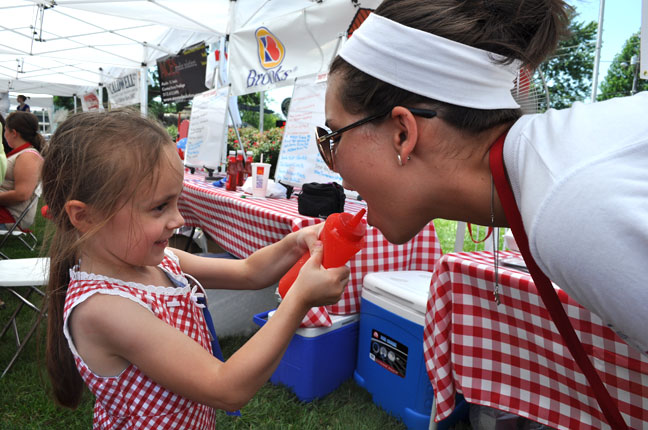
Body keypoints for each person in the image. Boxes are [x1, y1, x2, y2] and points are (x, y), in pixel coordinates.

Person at [320, 0, 647, 356]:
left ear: (402, 133)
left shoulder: (571, 206)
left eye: (335, 137)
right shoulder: (551, 175)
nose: (336, 170)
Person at [42, 109, 348, 429]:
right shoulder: (104, 309)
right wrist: (298, 300)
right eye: (159, 207)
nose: (178, 220)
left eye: (176, 202)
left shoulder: (161, 262)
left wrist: (295, 243)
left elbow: (249, 272)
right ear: (84, 216)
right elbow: (226, 388)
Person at [0, 111, 44, 230]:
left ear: (13, 133)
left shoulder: (27, 156)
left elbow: (22, 194)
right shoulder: (23, 154)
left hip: (10, 215)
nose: (4, 134)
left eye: (5, 130)